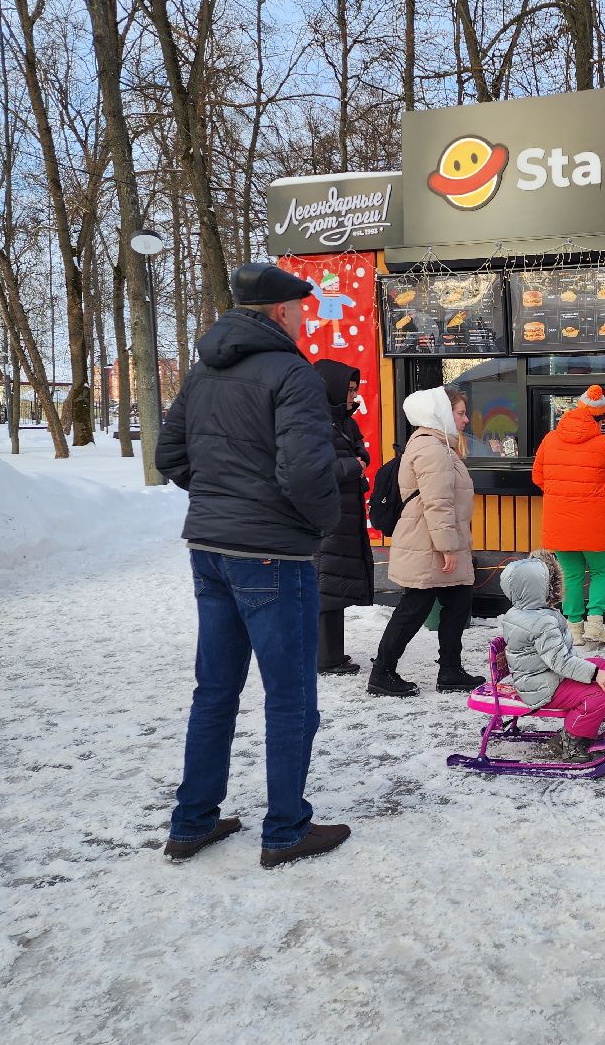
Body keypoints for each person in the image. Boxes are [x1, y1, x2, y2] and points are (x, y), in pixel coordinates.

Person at [155, 261, 350, 869]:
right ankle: (286, 829)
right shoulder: (292, 372)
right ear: (282, 312)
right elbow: (307, 471)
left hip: (209, 550)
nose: (304, 318)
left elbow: (170, 455)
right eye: (301, 309)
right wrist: (317, 525)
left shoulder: (201, 371)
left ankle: (192, 824)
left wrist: (219, 497)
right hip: (272, 554)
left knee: (214, 691)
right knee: (290, 697)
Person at [368, 385, 485, 696]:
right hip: (430, 544)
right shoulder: (432, 449)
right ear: (441, 413)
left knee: (458, 603)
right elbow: (438, 503)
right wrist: (447, 547)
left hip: (435, 540)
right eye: (459, 413)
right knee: (414, 608)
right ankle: (382, 673)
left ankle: (450, 671)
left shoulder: (437, 445)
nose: (465, 420)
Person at [533, 384, 605, 645]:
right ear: (600, 417)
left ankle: (574, 629)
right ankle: (595, 624)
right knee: (602, 572)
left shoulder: (550, 439)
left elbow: (538, 477)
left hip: (560, 523)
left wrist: (562, 493)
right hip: (597, 525)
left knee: (571, 575)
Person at [498, 550, 605, 762]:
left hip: (536, 676)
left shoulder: (521, 612)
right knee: (600, 696)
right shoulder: (541, 621)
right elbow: (560, 662)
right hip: (544, 686)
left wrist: (595, 670)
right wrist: (594, 674)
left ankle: (583, 724)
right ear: (539, 588)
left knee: (602, 664)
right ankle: (569, 741)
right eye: (550, 584)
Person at [311, 360, 375, 675]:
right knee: (326, 586)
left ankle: (331, 655)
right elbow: (315, 469)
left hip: (344, 513)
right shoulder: (314, 421)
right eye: (348, 389)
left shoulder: (342, 421)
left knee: (333, 587)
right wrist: (354, 466)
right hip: (327, 517)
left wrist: (360, 459)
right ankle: (325, 658)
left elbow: (359, 451)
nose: (352, 395)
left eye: (354, 390)